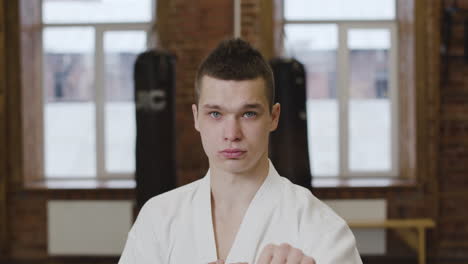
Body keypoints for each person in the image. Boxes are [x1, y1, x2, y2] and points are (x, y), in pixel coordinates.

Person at [118, 38, 363, 264]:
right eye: (215, 114)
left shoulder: (321, 228)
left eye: (248, 114)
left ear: (274, 117)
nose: (232, 133)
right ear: (196, 118)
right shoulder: (158, 218)